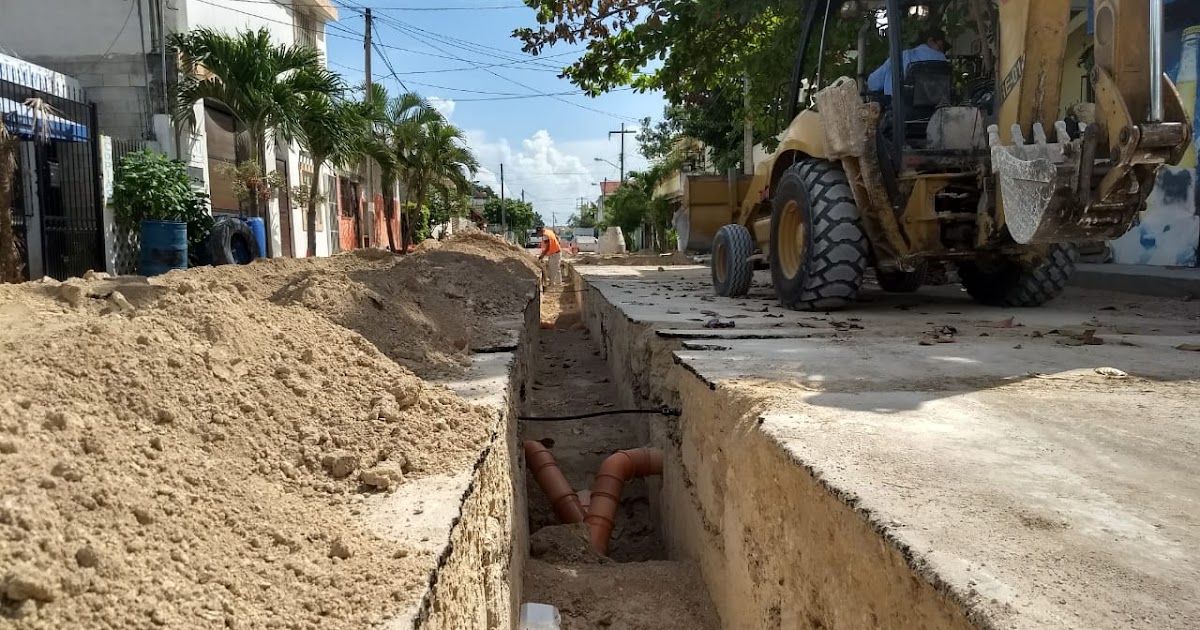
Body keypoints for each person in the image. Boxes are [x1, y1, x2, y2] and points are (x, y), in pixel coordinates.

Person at [867, 30, 950, 97]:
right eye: (942, 47)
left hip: (903, 111)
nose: (942, 51)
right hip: (935, 110)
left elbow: (874, 84)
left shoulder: (904, 56)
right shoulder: (943, 61)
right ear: (930, 41)